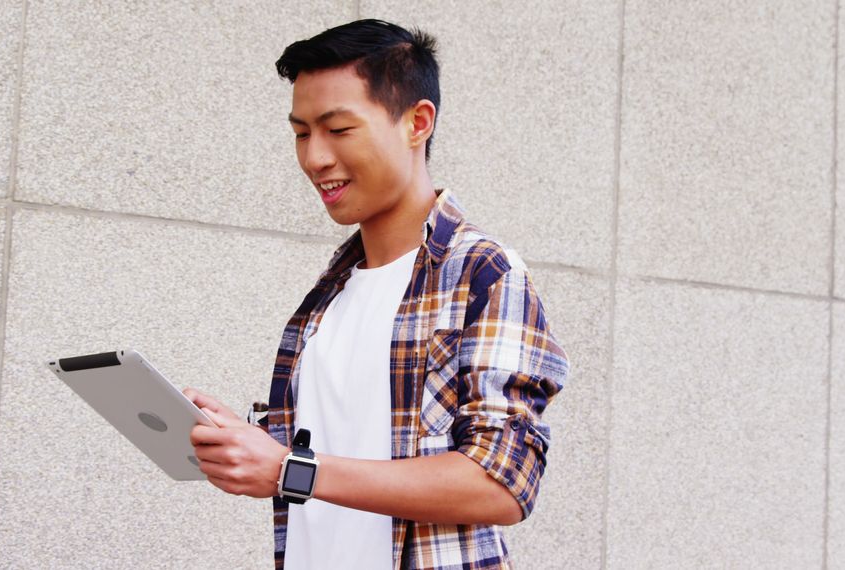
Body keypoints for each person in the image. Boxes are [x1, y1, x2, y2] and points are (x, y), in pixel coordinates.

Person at [183, 19, 570, 570]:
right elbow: (338, 447)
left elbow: (502, 484)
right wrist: (249, 442)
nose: (315, 157)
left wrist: (289, 469)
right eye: (300, 132)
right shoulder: (329, 293)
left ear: (417, 122)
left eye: (338, 130)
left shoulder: (482, 272)